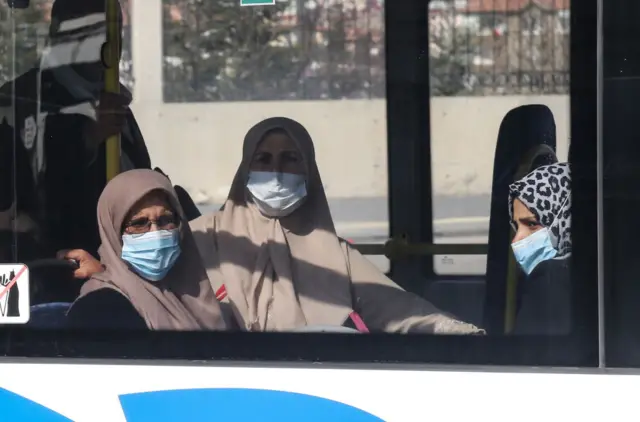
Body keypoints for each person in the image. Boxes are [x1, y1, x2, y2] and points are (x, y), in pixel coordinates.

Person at [189, 117, 484, 334]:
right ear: (245, 170)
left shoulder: (336, 255)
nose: (276, 171)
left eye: (290, 159)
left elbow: (400, 310)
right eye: (263, 159)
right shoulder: (204, 237)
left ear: (308, 170)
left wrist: (461, 335)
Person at [0, 0, 151, 268]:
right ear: (61, 33)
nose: (111, 43)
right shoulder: (22, 100)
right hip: (56, 270)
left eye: (116, 31)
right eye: (96, 30)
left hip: (122, 266)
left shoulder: (111, 97)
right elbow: (22, 199)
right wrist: (86, 142)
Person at [66, 169, 227, 331]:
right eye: (139, 223)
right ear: (113, 231)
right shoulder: (99, 310)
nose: (155, 233)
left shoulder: (194, 291)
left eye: (166, 220)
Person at [508, 162, 571, 335]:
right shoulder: (542, 285)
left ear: (565, 219)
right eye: (516, 225)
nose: (516, 239)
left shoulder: (549, 288)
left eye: (532, 224)